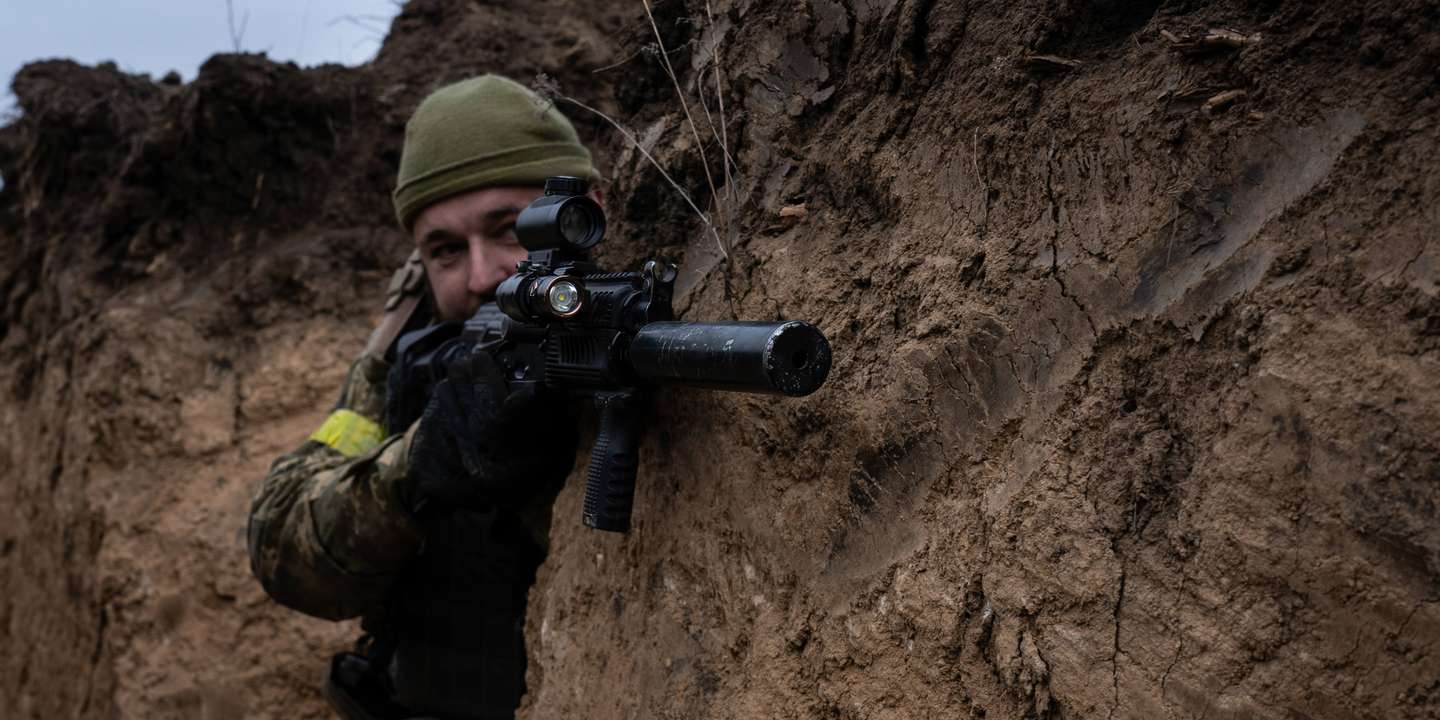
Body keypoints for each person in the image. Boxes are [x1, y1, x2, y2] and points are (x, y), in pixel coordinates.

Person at [247, 74, 600, 720]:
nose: (481, 275)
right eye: (444, 250)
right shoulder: (412, 343)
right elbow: (282, 543)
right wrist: (418, 466)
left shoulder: (635, 322)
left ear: (584, 213)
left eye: (511, 229)